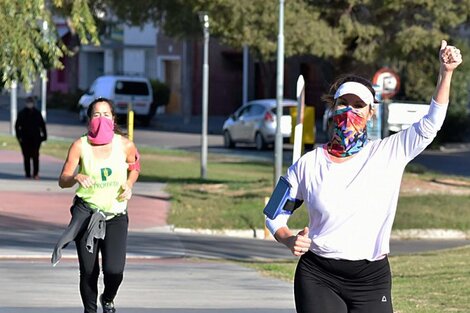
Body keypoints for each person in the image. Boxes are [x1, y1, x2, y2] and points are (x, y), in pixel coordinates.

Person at [265, 40, 462, 313]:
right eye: (343, 104)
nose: (350, 111)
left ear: (371, 113)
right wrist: (288, 238)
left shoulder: (389, 153)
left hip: (371, 279)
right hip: (319, 275)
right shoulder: (307, 165)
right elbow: (274, 214)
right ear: (333, 108)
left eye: (359, 105)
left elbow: (431, 124)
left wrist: (446, 73)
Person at [55, 98, 140, 313]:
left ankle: (108, 298)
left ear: (113, 118)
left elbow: (135, 166)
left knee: (114, 271)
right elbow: (63, 179)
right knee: (89, 271)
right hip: (87, 215)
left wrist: (129, 184)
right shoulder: (80, 145)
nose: (101, 119)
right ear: (89, 119)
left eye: (106, 115)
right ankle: (90, 311)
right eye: (96, 115)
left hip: (116, 216)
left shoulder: (125, 144)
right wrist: (76, 177)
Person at [15, 96, 47, 179]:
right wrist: (19, 137)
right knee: (26, 156)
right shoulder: (22, 113)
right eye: (28, 102)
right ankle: (27, 173)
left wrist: (44, 136)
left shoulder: (37, 113)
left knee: (35, 156)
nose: (30, 104)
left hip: (36, 138)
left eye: (31, 102)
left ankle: (35, 173)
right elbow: (17, 126)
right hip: (25, 138)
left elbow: (42, 125)